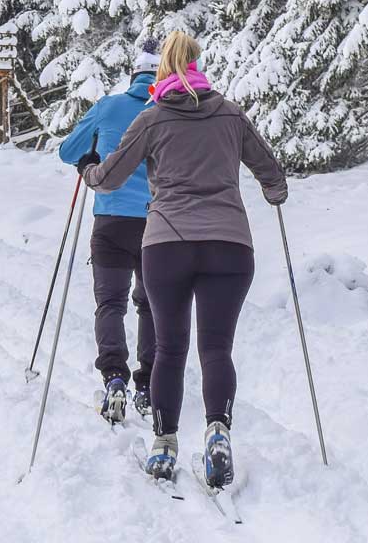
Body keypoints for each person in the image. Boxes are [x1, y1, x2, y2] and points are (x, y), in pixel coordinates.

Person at [77, 30, 287, 490]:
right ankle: (217, 433)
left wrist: (88, 171)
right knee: (216, 349)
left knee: (171, 349)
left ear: (163, 70)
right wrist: (274, 193)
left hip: (167, 244)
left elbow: (110, 177)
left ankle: (164, 446)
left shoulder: (153, 119)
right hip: (230, 245)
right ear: (196, 63)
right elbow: (272, 173)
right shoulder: (231, 114)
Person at [59, 39, 160, 424]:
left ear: (133, 75)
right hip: (158, 223)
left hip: (111, 220)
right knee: (150, 304)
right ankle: (148, 384)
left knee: (111, 304)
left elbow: (69, 151)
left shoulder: (109, 106)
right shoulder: (167, 110)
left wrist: (91, 157)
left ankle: (114, 377)